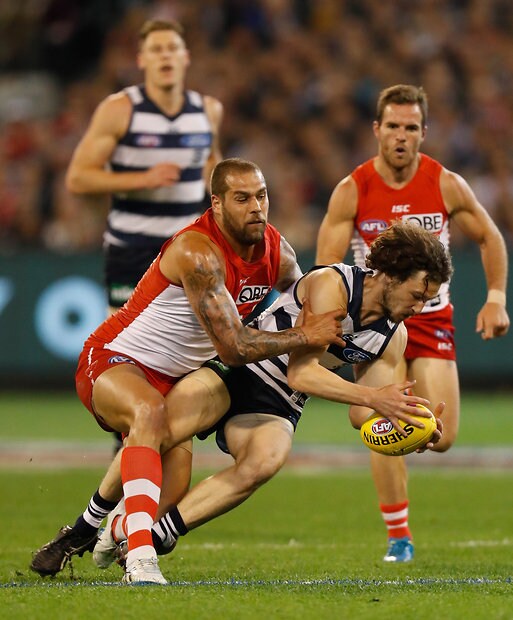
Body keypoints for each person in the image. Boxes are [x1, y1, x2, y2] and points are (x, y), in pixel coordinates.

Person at [30, 158, 344, 585]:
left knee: (170, 493)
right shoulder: (198, 252)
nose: (256, 207)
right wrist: (306, 336)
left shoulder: (276, 249)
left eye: (262, 195)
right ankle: (140, 558)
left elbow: (305, 292)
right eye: (242, 198)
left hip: (175, 379)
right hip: (115, 360)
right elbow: (233, 348)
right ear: (216, 203)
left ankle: (87, 530)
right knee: (149, 414)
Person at [89, 220, 451, 572]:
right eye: (418, 295)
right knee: (157, 431)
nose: (418, 309)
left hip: (281, 400)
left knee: (266, 460)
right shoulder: (334, 283)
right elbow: (303, 371)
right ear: (391, 274)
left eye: (427, 300)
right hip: (241, 367)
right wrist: (376, 398)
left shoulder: (393, 337)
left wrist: (405, 426)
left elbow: (362, 415)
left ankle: (149, 535)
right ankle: (87, 523)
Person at [315, 84, 510, 563]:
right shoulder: (353, 189)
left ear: (424, 132)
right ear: (377, 130)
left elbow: (489, 236)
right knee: (377, 416)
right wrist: (331, 319)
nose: (401, 136)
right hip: (378, 324)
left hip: (433, 316)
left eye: (411, 128)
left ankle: (400, 435)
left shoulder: (445, 183)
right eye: (393, 127)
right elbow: (325, 264)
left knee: (441, 437)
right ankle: (398, 536)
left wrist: (497, 297)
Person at [65, 18, 223, 455]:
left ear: (186, 57)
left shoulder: (207, 110)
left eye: (173, 48)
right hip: (133, 252)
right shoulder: (121, 109)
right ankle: (128, 454)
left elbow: (215, 170)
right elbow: (79, 177)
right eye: (156, 49)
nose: (165, 56)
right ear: (142, 60)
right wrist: (142, 178)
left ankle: (158, 452)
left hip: (186, 255)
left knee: (183, 360)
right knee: (127, 358)